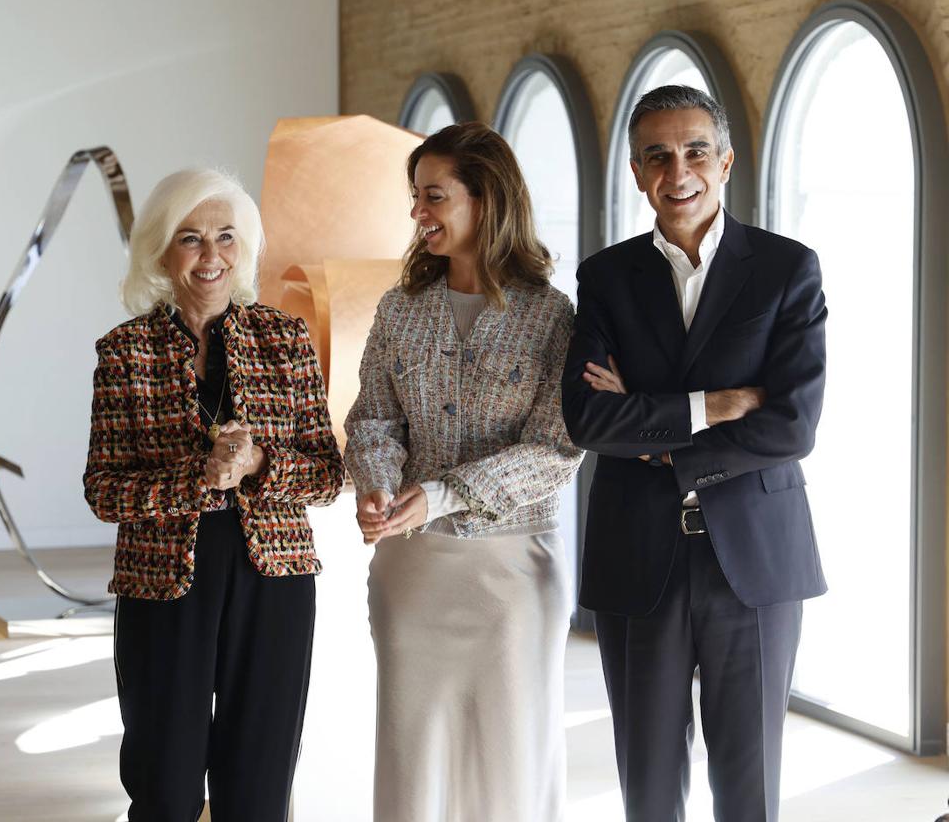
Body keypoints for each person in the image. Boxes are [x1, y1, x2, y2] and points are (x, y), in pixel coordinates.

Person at [562, 84, 827, 822]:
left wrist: (659, 446)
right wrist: (714, 405)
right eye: (658, 156)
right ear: (637, 172)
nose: (678, 171)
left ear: (727, 161)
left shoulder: (786, 270)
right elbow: (587, 418)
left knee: (750, 786)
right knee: (647, 785)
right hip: (638, 554)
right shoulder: (606, 278)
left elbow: (792, 426)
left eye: (695, 151)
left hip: (756, 560)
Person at [83, 168, 344, 822]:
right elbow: (105, 491)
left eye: (226, 237)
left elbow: (327, 475)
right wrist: (195, 479)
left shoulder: (285, 341)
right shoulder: (125, 352)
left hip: (273, 580)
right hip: (163, 583)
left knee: (259, 787)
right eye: (191, 239)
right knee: (164, 784)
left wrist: (258, 464)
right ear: (162, 252)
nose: (211, 256)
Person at [344, 121, 583, 822]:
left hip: (514, 577)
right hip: (411, 573)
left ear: (487, 199)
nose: (419, 213)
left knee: (511, 759)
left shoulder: (552, 316)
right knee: (413, 756)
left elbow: (555, 451)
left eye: (434, 197)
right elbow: (374, 420)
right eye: (416, 197)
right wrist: (378, 485)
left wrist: (444, 493)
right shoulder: (399, 309)